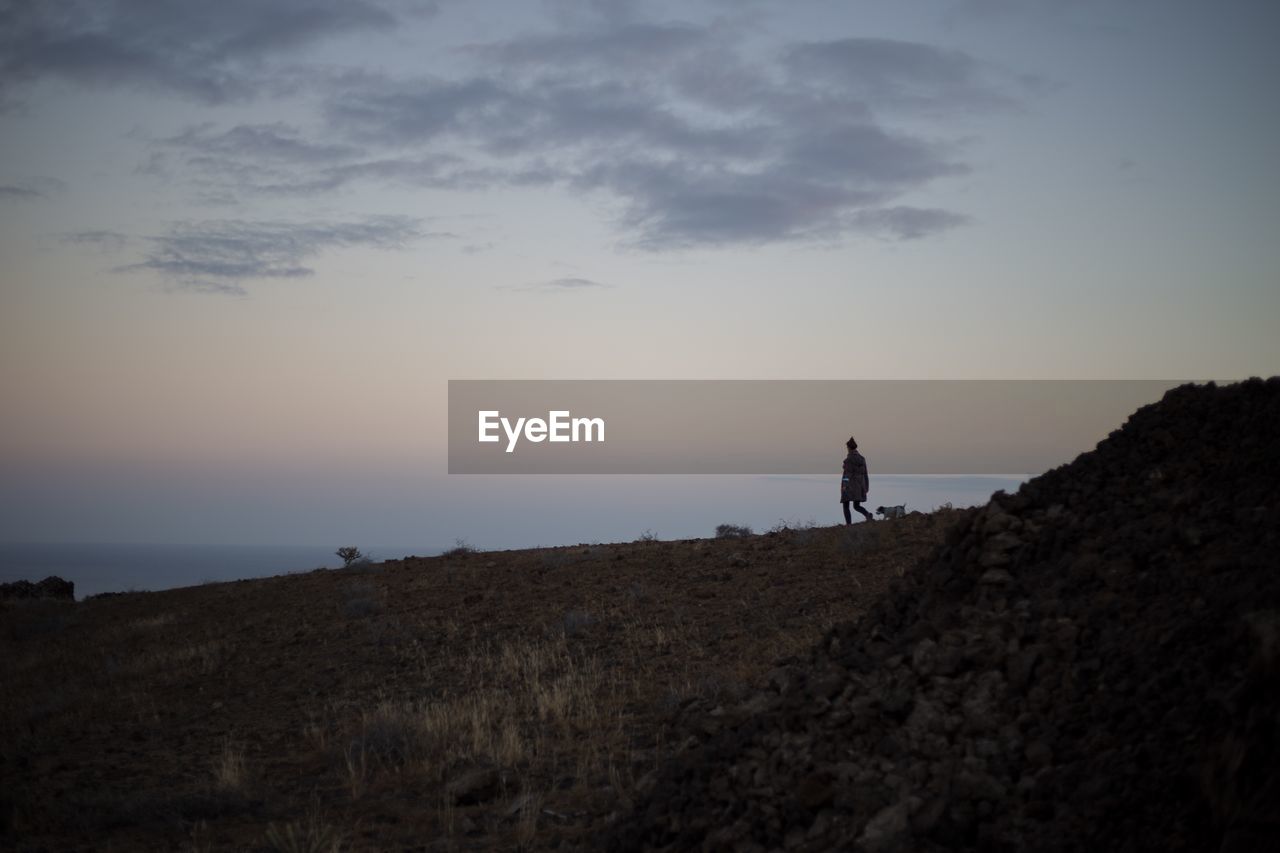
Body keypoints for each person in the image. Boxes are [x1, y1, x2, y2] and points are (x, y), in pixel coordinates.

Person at [841, 436, 873, 524]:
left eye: (847, 448)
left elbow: (847, 475)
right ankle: (868, 515)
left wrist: (844, 486)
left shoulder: (848, 460)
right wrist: (866, 486)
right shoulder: (862, 459)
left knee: (845, 505)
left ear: (849, 448)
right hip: (859, 486)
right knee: (856, 506)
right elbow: (865, 474)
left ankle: (849, 525)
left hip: (849, 486)